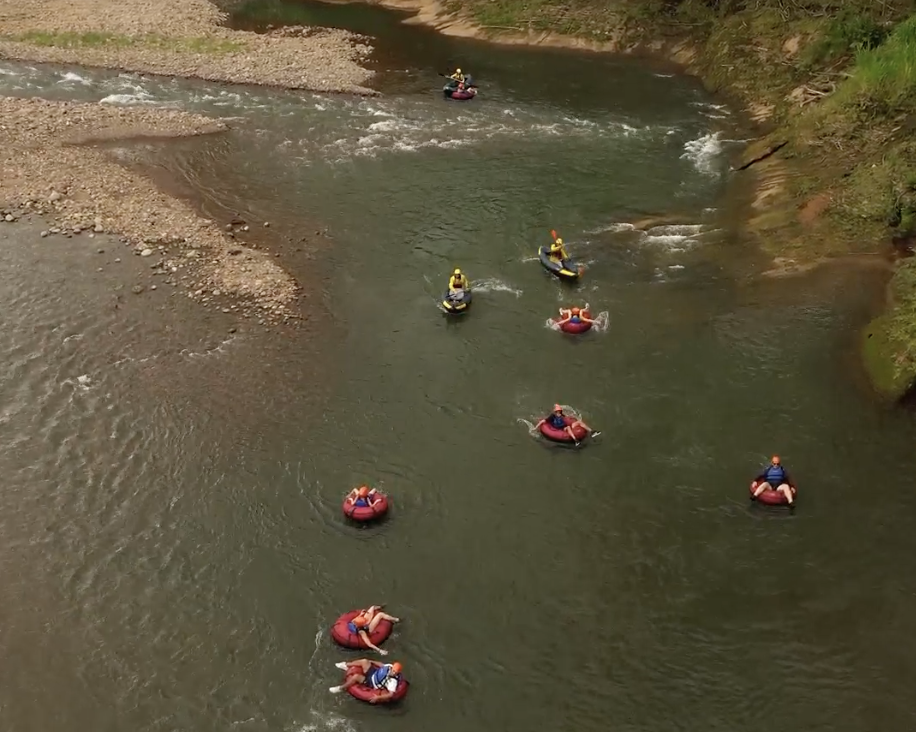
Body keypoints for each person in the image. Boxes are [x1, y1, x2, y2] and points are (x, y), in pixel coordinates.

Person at [330, 660, 403, 703]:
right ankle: (346, 665)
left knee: (356, 677)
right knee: (365, 661)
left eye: (395, 672)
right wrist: (371, 661)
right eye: (393, 670)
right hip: (374, 673)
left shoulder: (393, 681)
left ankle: (340, 688)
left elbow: (390, 694)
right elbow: (382, 665)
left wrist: (378, 697)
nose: (393, 673)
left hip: (372, 682)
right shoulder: (389, 666)